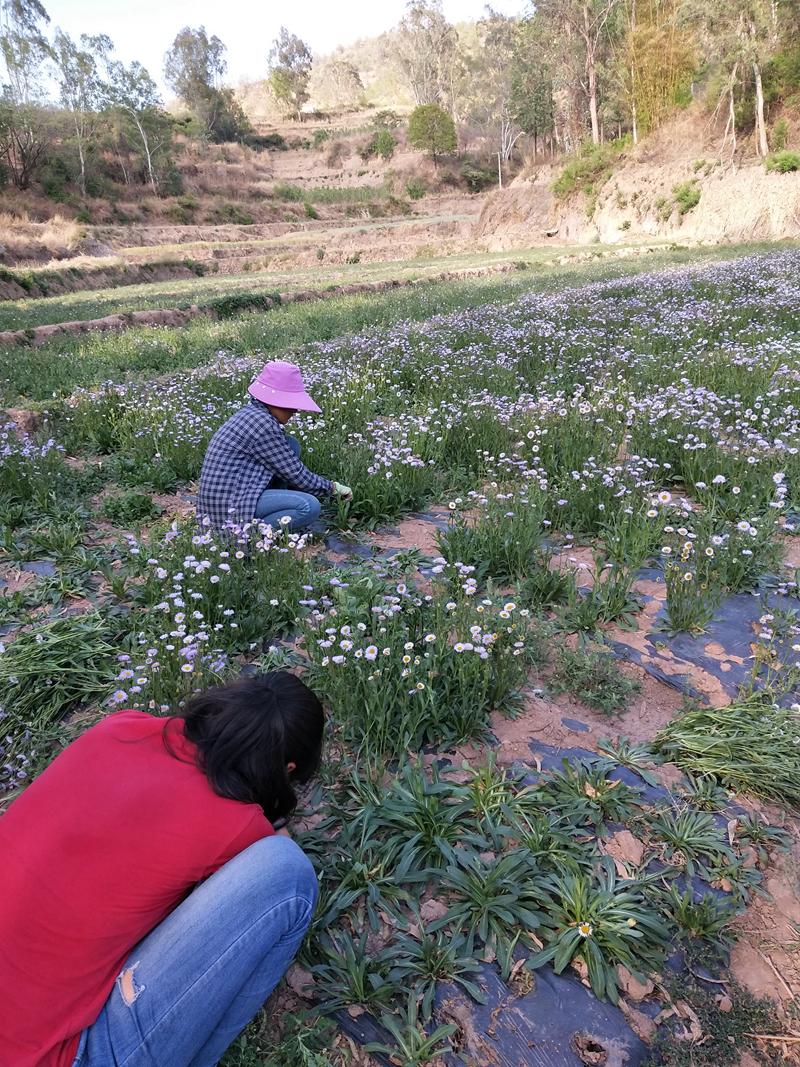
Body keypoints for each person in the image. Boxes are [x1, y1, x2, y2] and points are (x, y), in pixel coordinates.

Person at [0, 672, 325, 1067]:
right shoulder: (234, 823)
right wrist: (271, 819)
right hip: (62, 1056)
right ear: (288, 768)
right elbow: (269, 854)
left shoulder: (119, 728)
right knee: (286, 872)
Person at [198, 360, 352, 533]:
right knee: (309, 506)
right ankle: (247, 535)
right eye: (291, 404)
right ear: (275, 400)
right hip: (230, 506)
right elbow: (296, 474)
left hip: (226, 496)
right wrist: (332, 488)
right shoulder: (263, 425)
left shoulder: (252, 414)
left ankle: (270, 514)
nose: (295, 411)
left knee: (291, 444)